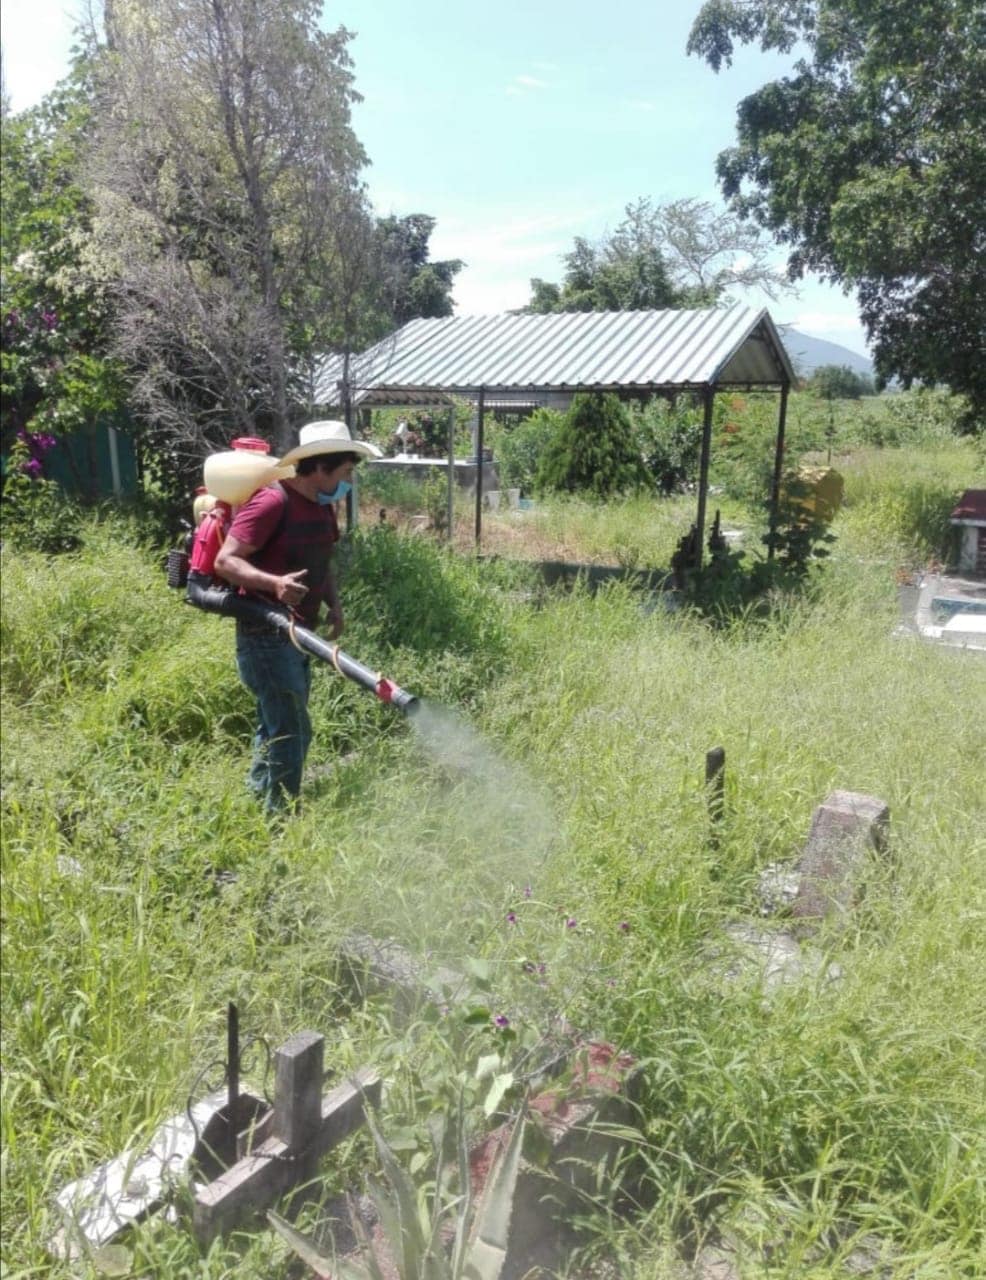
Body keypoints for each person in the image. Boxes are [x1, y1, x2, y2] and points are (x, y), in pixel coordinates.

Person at [215, 420, 381, 813]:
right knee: (293, 730)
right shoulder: (272, 502)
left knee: (274, 724)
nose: (348, 483)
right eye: (345, 473)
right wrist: (273, 584)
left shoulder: (322, 509)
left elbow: (321, 560)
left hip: (298, 634)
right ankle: (281, 818)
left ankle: (257, 799)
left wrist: (333, 603)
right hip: (264, 635)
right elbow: (226, 561)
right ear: (320, 468)